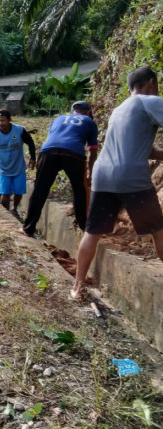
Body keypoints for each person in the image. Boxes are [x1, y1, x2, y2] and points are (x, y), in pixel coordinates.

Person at [71, 66, 163, 300]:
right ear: (151, 83)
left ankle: (77, 287)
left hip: (103, 175)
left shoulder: (119, 109)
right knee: (158, 230)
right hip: (131, 176)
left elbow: (143, 147)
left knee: (92, 233)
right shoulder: (150, 101)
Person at [22, 100, 99, 237]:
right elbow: (92, 151)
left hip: (48, 151)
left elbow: (54, 137)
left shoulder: (58, 118)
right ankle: (84, 227)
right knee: (80, 190)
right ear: (88, 112)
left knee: (40, 189)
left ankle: (28, 228)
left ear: (72, 111)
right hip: (74, 153)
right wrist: (90, 173)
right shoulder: (89, 122)